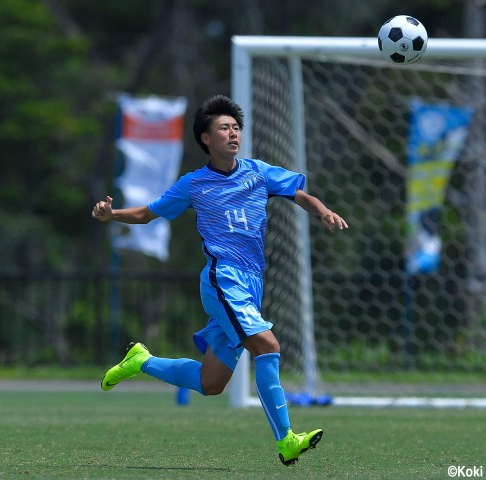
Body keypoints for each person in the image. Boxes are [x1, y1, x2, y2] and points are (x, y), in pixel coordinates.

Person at [92, 94, 348, 464]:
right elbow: (148, 213)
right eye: (224, 128)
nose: (233, 133)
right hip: (222, 278)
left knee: (211, 383)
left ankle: (141, 361)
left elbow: (298, 193)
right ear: (206, 139)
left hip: (251, 284)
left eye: (236, 127)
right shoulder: (194, 184)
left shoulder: (258, 172)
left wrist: (323, 211)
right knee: (268, 346)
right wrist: (111, 214)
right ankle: (286, 439)